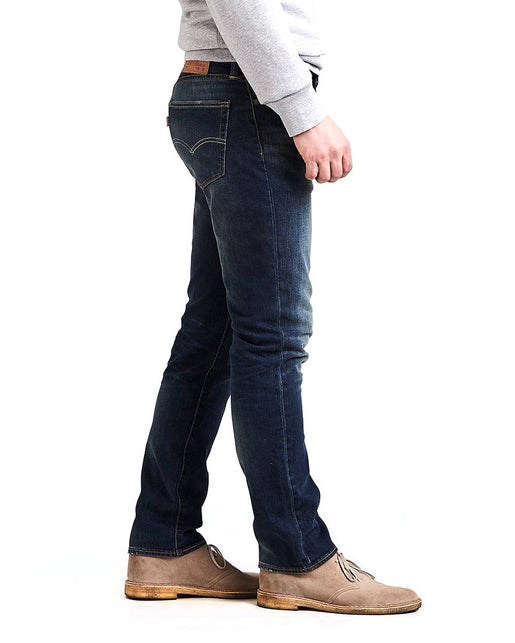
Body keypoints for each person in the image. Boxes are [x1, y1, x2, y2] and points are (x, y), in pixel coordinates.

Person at [125, 0, 421, 615]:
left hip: (229, 92)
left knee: (213, 332)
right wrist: (300, 108)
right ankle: (296, 557)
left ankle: (164, 541)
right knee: (272, 337)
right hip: (250, 99)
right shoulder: (271, 99)